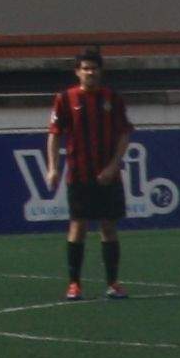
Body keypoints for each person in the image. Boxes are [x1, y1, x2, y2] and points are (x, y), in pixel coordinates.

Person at [43, 48, 133, 300]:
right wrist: (52, 168)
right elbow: (54, 134)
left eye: (94, 68)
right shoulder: (65, 98)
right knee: (78, 226)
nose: (90, 72)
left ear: (100, 71)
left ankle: (113, 283)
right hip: (79, 174)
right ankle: (74, 284)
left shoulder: (112, 99)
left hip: (108, 175)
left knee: (108, 226)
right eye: (85, 68)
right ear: (77, 72)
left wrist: (114, 165)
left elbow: (125, 133)